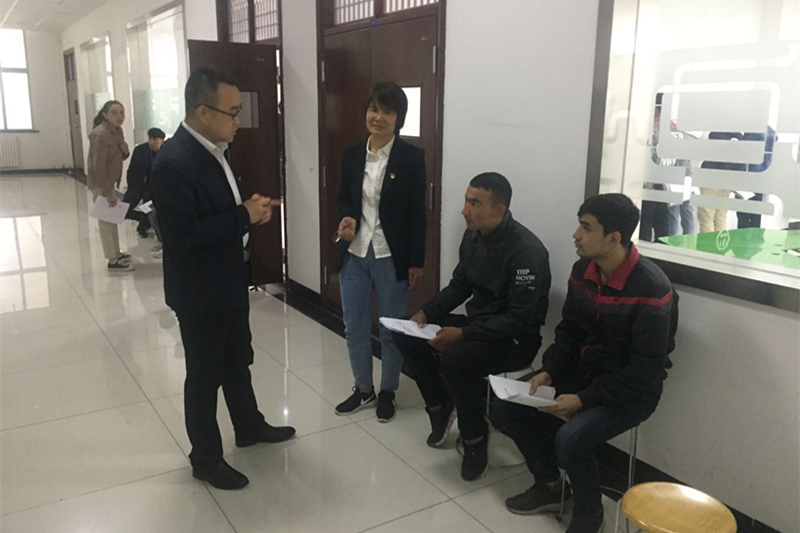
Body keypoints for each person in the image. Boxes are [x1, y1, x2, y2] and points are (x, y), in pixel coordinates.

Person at [496, 193, 678, 533]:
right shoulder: (583, 270)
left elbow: (645, 371)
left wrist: (583, 400)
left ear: (613, 238)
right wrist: (549, 370)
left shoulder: (652, 288)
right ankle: (550, 484)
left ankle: (590, 514)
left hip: (632, 392)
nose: (575, 235)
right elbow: (570, 330)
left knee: (571, 439)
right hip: (584, 372)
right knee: (509, 404)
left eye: (586, 228)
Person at [151, 67, 295, 491]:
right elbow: (181, 236)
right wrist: (241, 216)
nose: (237, 121)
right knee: (204, 376)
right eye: (231, 112)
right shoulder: (174, 163)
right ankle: (206, 458)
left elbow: (221, 207)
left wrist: (250, 210)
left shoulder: (216, 149)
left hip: (228, 280)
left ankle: (248, 426)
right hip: (199, 291)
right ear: (202, 111)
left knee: (237, 361)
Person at [393, 172, 551, 481]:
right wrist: (426, 312)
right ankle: (439, 405)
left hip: (515, 339)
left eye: (474, 204)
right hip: (479, 326)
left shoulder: (527, 251)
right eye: (466, 201)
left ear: (499, 210)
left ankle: (475, 437)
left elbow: (518, 320)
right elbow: (460, 286)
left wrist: (463, 333)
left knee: (455, 357)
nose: (464, 210)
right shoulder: (474, 235)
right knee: (408, 334)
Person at [333, 82, 427, 423]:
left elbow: (418, 212)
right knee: (354, 326)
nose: (378, 117)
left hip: (391, 256)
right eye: (374, 109)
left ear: (399, 118)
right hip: (355, 254)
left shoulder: (411, 158)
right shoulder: (351, 154)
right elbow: (344, 198)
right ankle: (363, 388)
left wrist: (416, 261)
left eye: (387, 112)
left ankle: (388, 390)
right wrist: (346, 217)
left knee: (391, 328)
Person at [86, 100, 132, 272]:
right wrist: (107, 192)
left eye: (121, 112)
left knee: (112, 218)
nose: (119, 116)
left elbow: (119, 156)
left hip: (110, 182)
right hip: (101, 183)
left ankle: (117, 253)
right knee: (106, 220)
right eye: (114, 113)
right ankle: (112, 260)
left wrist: (125, 150)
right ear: (105, 115)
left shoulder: (117, 131)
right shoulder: (100, 134)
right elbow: (98, 166)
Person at [123, 127, 165, 237]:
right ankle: (142, 219)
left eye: (155, 139)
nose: (151, 142)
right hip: (138, 184)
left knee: (149, 207)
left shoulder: (166, 152)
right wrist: (131, 186)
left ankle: (143, 226)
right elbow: (131, 170)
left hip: (154, 187)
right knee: (125, 209)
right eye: (150, 138)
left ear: (162, 141)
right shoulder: (140, 150)